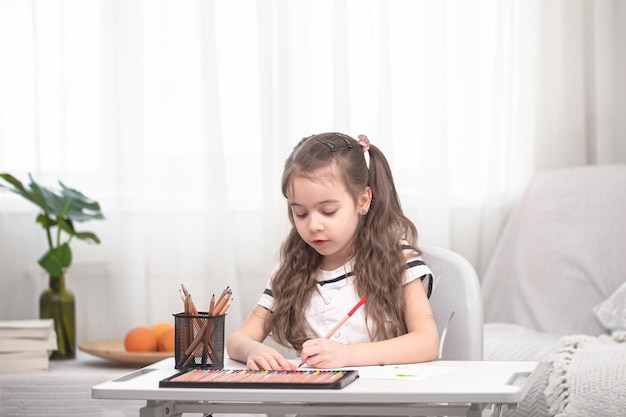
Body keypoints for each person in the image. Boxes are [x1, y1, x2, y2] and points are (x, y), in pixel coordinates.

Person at [226, 132, 439, 370]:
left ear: (363, 201)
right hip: (322, 402)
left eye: (327, 211)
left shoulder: (397, 259)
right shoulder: (292, 271)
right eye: (301, 213)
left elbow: (427, 342)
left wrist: (348, 355)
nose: (313, 225)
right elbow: (238, 340)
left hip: (388, 400)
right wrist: (254, 349)